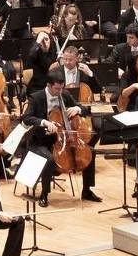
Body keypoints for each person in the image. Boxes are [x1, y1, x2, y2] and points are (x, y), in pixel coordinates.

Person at [21, 70, 92, 206]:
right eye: (57, 89)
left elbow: (84, 109)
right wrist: (44, 122)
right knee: (49, 159)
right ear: (48, 85)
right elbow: (26, 118)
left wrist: (77, 109)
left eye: (61, 88)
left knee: (90, 152)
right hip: (41, 141)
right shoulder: (36, 97)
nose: (60, 92)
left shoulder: (64, 94)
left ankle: (87, 190)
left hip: (64, 139)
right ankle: (44, 194)